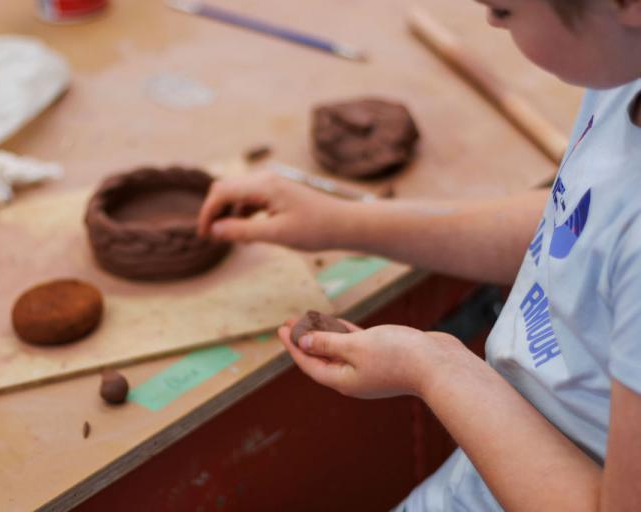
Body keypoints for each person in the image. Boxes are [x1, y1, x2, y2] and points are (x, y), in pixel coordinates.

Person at [196, 0, 641, 509]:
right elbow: (580, 234)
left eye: (504, 8)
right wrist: (343, 222)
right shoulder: (625, 69)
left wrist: (437, 367)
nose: (490, 21)